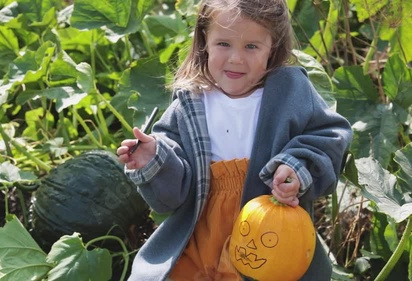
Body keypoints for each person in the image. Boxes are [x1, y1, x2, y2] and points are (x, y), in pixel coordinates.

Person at [117, 0, 353, 280]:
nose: (236, 59)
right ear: (205, 40)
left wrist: (296, 166)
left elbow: (330, 135)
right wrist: (155, 159)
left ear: (273, 48)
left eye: (251, 46)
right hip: (201, 234)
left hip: (270, 238)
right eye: (224, 44)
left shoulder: (290, 92)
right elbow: (171, 197)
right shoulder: (190, 103)